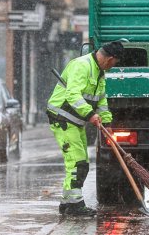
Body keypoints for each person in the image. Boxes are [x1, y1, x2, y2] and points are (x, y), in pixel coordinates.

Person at [46, 41, 124, 216]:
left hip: (75, 121)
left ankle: (67, 202)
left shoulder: (99, 72)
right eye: (115, 63)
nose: (113, 67)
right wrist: (90, 114)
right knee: (77, 162)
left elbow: (101, 100)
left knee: (82, 164)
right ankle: (75, 205)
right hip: (63, 118)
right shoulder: (82, 65)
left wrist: (107, 124)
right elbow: (72, 94)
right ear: (110, 59)